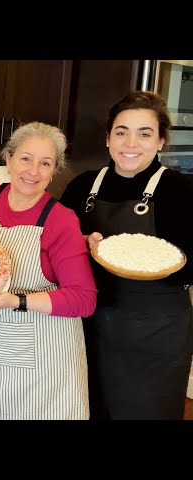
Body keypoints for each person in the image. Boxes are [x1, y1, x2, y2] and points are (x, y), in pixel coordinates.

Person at [0, 121, 97, 420]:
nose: (33, 171)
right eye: (26, 158)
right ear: (9, 159)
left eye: (45, 163)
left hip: (42, 366)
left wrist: (17, 300)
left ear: (54, 170)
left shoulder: (60, 219)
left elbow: (84, 299)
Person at [60, 90, 193, 420]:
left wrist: (147, 261)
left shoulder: (180, 191)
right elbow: (52, 247)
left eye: (145, 133)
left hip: (152, 334)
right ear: (108, 138)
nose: (131, 143)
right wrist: (78, 243)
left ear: (161, 141)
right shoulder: (82, 187)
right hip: (87, 326)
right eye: (122, 131)